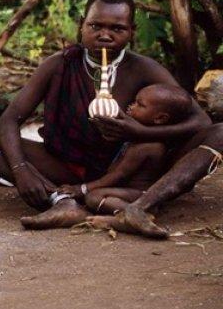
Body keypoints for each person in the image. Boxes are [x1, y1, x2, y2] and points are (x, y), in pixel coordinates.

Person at [0, 0, 213, 236]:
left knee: (220, 133)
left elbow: (201, 121)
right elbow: (10, 120)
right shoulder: (58, 65)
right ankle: (63, 203)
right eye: (95, 25)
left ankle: (142, 205)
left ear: (132, 32)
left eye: (117, 29)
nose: (104, 35)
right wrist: (20, 169)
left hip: (131, 168)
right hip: (70, 167)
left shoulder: (143, 69)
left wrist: (139, 131)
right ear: (81, 26)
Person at [57, 84, 192, 214]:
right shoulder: (138, 139)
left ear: (160, 118)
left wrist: (82, 189)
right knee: (94, 196)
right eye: (134, 101)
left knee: (93, 197)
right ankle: (131, 213)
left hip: (139, 194)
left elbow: (118, 175)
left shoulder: (147, 146)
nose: (131, 106)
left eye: (140, 105)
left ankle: (139, 213)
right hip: (125, 191)